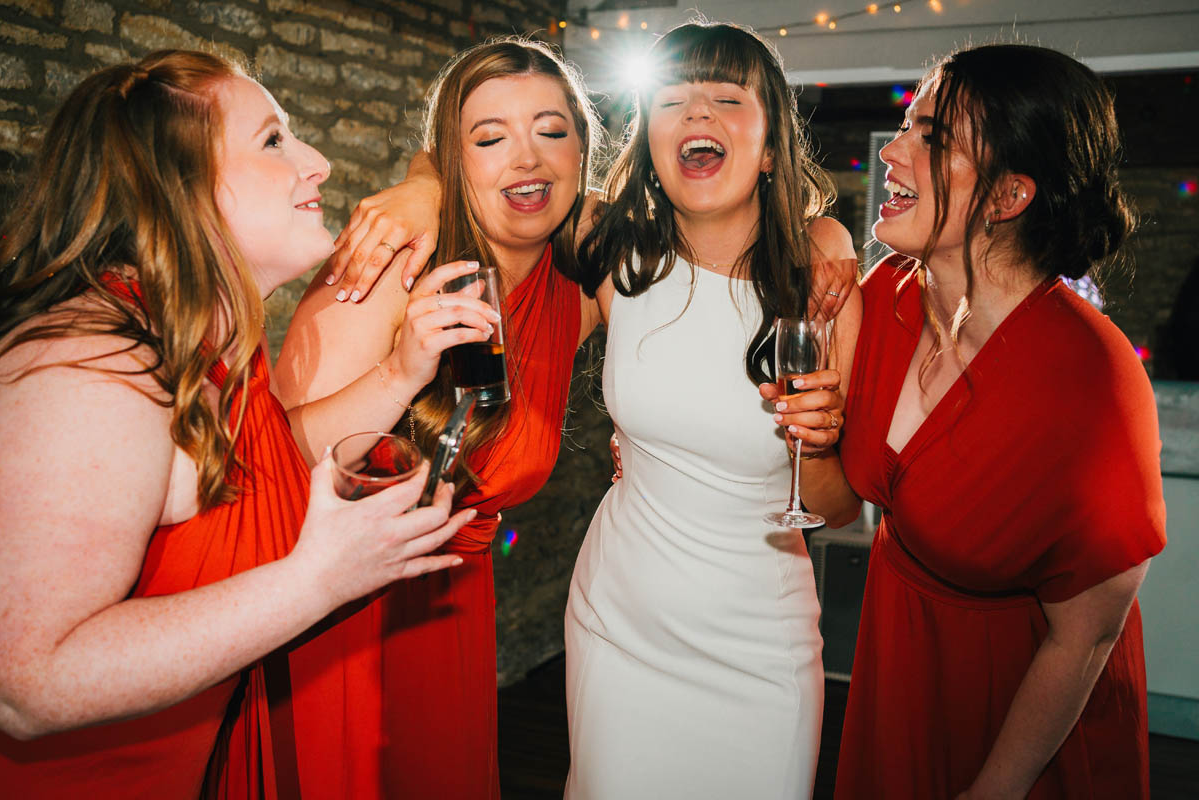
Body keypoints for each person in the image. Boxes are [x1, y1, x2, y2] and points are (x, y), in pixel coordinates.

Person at [0, 50, 472, 799]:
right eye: (274, 140)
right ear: (178, 181)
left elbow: (257, 471)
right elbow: (25, 683)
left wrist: (401, 373)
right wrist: (315, 581)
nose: (315, 162)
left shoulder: (203, 339)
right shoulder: (92, 364)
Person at [785, 44, 1166, 799]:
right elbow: (832, 496)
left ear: (1008, 196)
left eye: (932, 138)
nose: (893, 151)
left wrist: (996, 786)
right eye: (905, 125)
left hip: (1022, 709)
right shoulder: (886, 296)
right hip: (898, 662)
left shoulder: (1091, 374)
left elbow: (1087, 634)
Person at [274, 38, 603, 799]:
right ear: (454, 161)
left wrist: (825, 231)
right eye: (490, 139)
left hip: (457, 608)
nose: (526, 157)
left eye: (552, 131)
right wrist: (423, 190)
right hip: (344, 617)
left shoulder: (578, 291)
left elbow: (710, 249)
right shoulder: (396, 269)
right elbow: (274, 460)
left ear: (582, 153)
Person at [559, 22, 859, 798]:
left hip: (759, 646)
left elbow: (838, 511)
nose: (698, 114)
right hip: (619, 624)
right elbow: (486, 181)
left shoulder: (822, 285)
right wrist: (419, 187)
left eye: (727, 98)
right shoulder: (609, 250)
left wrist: (819, 446)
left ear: (769, 148)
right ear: (651, 143)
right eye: (673, 100)